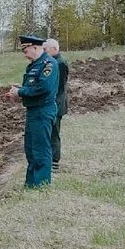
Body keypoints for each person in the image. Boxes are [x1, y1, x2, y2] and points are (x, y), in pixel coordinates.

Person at [5, 35, 59, 189]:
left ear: (36, 47)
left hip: (43, 111)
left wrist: (21, 92)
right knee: (30, 148)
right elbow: (31, 86)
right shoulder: (34, 65)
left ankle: (41, 184)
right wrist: (18, 92)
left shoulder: (49, 64)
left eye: (26, 50)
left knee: (40, 148)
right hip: (33, 111)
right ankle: (30, 184)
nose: (25, 54)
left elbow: (44, 88)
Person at [44, 38, 69, 171]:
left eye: (46, 49)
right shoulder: (54, 62)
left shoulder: (60, 63)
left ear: (54, 49)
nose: (44, 52)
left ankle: (54, 161)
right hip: (54, 103)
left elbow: (59, 86)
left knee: (54, 133)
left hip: (57, 104)